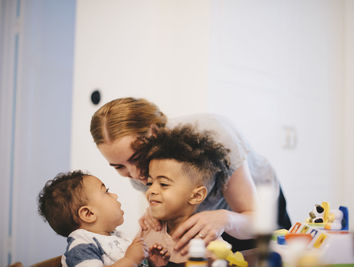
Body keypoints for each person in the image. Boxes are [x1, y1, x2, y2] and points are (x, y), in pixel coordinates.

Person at [90, 97, 291, 254]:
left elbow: (256, 220)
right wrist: (156, 214)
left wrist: (225, 219)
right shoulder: (138, 170)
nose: (136, 174)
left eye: (137, 157)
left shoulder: (214, 134)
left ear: (154, 131)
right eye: (119, 167)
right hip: (213, 220)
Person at [132, 125, 232, 263]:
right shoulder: (147, 231)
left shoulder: (211, 245)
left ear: (196, 196)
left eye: (163, 184)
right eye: (150, 183)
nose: (151, 191)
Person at [37, 170, 170, 267]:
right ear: (88, 214)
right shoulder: (81, 246)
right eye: (106, 191)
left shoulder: (116, 237)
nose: (115, 195)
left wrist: (150, 262)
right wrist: (130, 260)